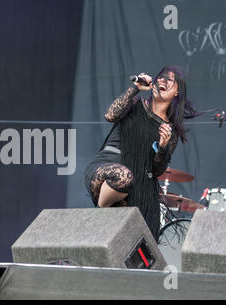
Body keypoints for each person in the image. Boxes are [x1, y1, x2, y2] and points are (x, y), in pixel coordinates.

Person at [85, 66, 199, 239]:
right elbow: (110, 115)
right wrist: (135, 88)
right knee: (124, 177)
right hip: (108, 166)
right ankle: (102, 210)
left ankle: (110, 219)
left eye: (169, 79)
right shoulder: (136, 103)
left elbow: (157, 171)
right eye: (160, 77)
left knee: (136, 233)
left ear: (177, 92)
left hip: (139, 181)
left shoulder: (170, 130)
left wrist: (162, 147)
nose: (162, 80)